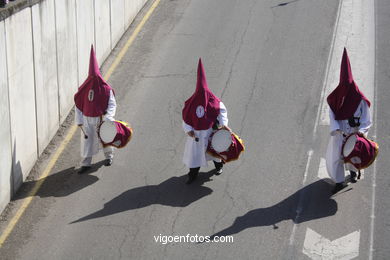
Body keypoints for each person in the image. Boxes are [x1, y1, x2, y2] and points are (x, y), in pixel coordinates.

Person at [326, 48, 371, 193]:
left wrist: (362, 132)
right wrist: (336, 128)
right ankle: (339, 182)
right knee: (337, 157)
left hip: (355, 133)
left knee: (354, 153)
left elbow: (366, 118)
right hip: (340, 133)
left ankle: (353, 172)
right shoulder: (336, 96)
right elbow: (332, 113)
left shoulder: (359, 99)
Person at [182, 58, 230, 184]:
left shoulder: (213, 101)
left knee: (215, 153)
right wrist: (188, 130)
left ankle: (219, 167)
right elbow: (186, 118)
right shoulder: (191, 103)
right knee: (195, 157)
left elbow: (222, 111)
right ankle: (192, 175)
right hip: (196, 135)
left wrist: (223, 126)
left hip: (211, 133)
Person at [74, 45, 117, 174]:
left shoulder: (106, 89)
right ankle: (86, 163)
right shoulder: (83, 89)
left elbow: (112, 104)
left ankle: (109, 157)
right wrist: (79, 119)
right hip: (87, 119)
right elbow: (78, 104)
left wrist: (108, 117)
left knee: (106, 138)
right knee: (87, 141)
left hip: (101, 119)